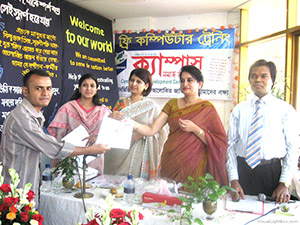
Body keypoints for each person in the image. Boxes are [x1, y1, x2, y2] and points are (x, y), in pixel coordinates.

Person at [0, 69, 110, 203]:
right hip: (17, 189)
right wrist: (89, 150)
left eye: (48, 88)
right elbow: (54, 146)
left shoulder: (34, 115)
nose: (45, 93)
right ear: (25, 91)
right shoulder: (22, 119)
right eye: (39, 88)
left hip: (30, 184)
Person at [133, 65, 228, 185]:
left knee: (189, 199)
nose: (185, 84)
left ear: (200, 84)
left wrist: (195, 129)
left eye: (190, 80)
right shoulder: (172, 104)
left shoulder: (207, 108)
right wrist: (133, 124)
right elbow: (152, 129)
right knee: (168, 198)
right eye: (182, 81)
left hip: (194, 164)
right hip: (171, 160)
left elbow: (219, 141)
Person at [226, 59, 298, 203]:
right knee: (240, 216)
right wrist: (233, 179)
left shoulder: (285, 110)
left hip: (272, 174)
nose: (258, 80)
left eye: (264, 76)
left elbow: (292, 148)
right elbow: (231, 146)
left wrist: (284, 183)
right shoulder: (239, 110)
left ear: (272, 81)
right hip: (243, 172)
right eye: (253, 76)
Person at [104, 68, 166, 180]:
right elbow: (111, 127)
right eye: (132, 80)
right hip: (119, 150)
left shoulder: (151, 106)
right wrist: (111, 116)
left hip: (141, 149)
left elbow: (160, 131)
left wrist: (142, 134)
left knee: (137, 183)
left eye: (139, 81)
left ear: (146, 86)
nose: (133, 84)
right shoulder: (120, 103)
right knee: (116, 181)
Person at [47, 73, 112, 173]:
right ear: (79, 88)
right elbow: (58, 135)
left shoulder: (103, 111)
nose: (88, 88)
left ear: (96, 90)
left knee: (93, 185)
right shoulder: (68, 108)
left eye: (92, 86)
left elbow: (112, 133)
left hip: (95, 157)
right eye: (85, 85)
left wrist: (97, 137)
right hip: (72, 155)